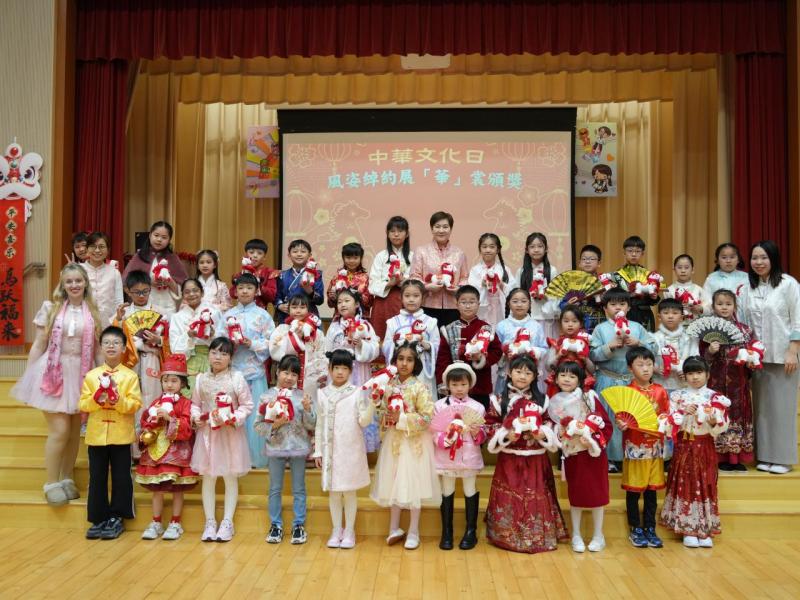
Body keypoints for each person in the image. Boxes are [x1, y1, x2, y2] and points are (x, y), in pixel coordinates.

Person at [12, 263, 101, 505]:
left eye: (78, 280)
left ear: (85, 283)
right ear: (63, 284)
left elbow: (97, 350)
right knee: (60, 431)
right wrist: (29, 377)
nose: (74, 285)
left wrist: (105, 377)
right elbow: (39, 344)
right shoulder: (50, 308)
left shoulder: (93, 311)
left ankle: (66, 477)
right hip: (53, 372)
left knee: (74, 433)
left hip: (82, 373)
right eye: (69, 281)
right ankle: (51, 482)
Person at [485, 355, 567, 553]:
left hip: (536, 457)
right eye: (518, 371)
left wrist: (542, 433)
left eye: (528, 373)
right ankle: (507, 536)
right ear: (508, 373)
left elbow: (550, 423)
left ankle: (536, 536)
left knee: (535, 495)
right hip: (509, 456)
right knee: (510, 495)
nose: (522, 376)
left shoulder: (543, 400)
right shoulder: (498, 400)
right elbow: (489, 425)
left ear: (535, 376)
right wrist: (506, 435)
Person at [369, 341, 441, 550]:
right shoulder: (388, 386)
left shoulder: (420, 387)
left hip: (414, 443)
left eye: (409, 360)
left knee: (413, 484)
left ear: (415, 364)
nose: (404, 363)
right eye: (400, 359)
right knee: (393, 482)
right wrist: (381, 410)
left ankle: (413, 531)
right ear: (394, 361)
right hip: (394, 442)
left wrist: (401, 418)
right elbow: (381, 413)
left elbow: (427, 418)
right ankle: (394, 528)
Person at [741, 240, 800, 474]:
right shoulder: (748, 288)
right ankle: (764, 456)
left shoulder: (788, 284)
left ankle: (782, 458)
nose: (759, 262)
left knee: (782, 408)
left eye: (763, 257)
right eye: (755, 258)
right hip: (756, 359)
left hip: (783, 355)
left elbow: (797, 318)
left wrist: (793, 351)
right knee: (762, 409)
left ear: (773, 259)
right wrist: (746, 353)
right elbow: (743, 322)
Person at [79, 325, 142, 539]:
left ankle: (117, 516)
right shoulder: (92, 376)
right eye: (107, 343)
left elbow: (135, 404)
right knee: (97, 477)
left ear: (124, 348)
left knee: (121, 477)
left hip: (121, 435)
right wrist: (97, 399)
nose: (111, 346)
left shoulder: (130, 376)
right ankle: (98, 517)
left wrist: (117, 400)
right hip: (96, 435)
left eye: (116, 343)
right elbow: (83, 404)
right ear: (101, 347)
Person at [660, 356, 730, 548]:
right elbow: (667, 422)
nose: (695, 377)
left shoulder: (715, 397)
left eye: (699, 372)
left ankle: (704, 528)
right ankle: (687, 529)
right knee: (685, 483)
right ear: (685, 376)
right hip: (684, 445)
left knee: (706, 483)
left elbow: (723, 425)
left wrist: (714, 422)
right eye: (690, 373)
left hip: (705, 444)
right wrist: (682, 413)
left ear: (707, 374)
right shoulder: (677, 396)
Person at [190, 337, 254, 542]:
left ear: (231, 358)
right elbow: (195, 404)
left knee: (229, 476)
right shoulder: (201, 379)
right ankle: (210, 522)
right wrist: (196, 417)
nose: (218, 357)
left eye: (224, 353)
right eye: (214, 352)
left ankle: (227, 522)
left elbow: (247, 405)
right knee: (208, 478)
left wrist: (234, 418)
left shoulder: (237, 378)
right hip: (208, 435)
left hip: (230, 434)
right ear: (209, 354)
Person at [589, 288, 658, 470]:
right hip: (607, 379)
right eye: (613, 304)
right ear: (605, 308)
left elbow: (654, 349)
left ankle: (632, 455)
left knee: (631, 418)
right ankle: (610, 459)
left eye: (622, 304)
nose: (617, 307)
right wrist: (609, 347)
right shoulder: (600, 329)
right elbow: (592, 355)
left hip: (632, 381)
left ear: (628, 307)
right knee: (609, 419)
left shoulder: (636, 327)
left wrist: (638, 343)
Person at [547, 361, 611, 553]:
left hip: (593, 454)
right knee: (575, 495)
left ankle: (599, 535)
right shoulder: (554, 402)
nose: (567, 379)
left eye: (572, 376)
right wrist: (560, 435)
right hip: (572, 454)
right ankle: (576, 534)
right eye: (563, 375)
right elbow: (553, 428)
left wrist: (593, 440)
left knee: (598, 495)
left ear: (580, 380)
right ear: (556, 378)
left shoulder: (590, 398)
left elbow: (606, 425)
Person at [313, 350, 373, 549]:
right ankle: (336, 529)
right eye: (336, 367)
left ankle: (349, 531)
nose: (340, 372)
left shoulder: (356, 392)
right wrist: (318, 451)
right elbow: (319, 424)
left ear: (350, 371)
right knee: (334, 492)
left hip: (351, 451)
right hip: (330, 452)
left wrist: (373, 404)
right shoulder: (322, 394)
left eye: (344, 368)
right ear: (329, 369)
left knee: (349, 492)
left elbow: (364, 421)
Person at [135, 353, 198, 541]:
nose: (169, 384)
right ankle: (156, 522)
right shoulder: (156, 402)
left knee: (178, 489)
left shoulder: (186, 404)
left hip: (177, 453)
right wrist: (149, 425)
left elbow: (187, 427)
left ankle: (175, 523)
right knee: (158, 490)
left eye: (174, 381)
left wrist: (170, 419)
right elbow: (145, 420)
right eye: (165, 380)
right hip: (156, 451)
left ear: (183, 383)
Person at [257, 356, 316, 545]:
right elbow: (258, 426)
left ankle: (299, 525)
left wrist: (308, 410)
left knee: (299, 488)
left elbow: (311, 424)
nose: (289, 377)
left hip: (298, 447)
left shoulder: (302, 396)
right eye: (285, 372)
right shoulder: (266, 396)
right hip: (275, 448)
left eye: (294, 374)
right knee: (275, 488)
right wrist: (274, 425)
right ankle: (276, 525)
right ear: (277, 372)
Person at [430, 363, 486, 550]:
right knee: (447, 490)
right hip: (447, 456)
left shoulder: (477, 407)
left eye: (463, 384)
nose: (459, 388)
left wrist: (477, 432)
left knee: (470, 489)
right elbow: (434, 430)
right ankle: (447, 532)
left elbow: (483, 435)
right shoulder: (439, 406)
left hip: (469, 456)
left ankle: (471, 531)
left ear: (470, 384)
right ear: (447, 385)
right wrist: (444, 440)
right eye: (454, 385)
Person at [222, 272, 275, 468]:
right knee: (233, 414)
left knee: (255, 416)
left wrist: (251, 343)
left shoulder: (263, 315)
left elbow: (272, 343)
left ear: (257, 291)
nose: (245, 291)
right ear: (235, 291)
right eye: (241, 288)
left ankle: (255, 459)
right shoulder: (227, 315)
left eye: (249, 288)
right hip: (233, 373)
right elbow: (219, 341)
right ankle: (233, 460)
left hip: (255, 373)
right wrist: (231, 345)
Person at [619, 347, 670, 549]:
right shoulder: (627, 392)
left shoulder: (660, 391)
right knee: (633, 489)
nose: (646, 369)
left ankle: (650, 527)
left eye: (649, 364)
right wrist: (621, 424)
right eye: (640, 365)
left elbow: (666, 414)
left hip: (655, 448)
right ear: (630, 368)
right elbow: (621, 417)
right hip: (635, 447)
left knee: (651, 490)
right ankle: (635, 528)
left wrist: (664, 421)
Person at [702, 289, 757, 470]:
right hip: (715, 380)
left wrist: (750, 359)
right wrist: (710, 351)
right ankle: (719, 457)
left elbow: (754, 353)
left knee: (738, 415)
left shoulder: (746, 330)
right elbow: (702, 359)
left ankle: (736, 458)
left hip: (739, 380)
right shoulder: (708, 330)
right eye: (720, 304)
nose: (724, 307)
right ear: (713, 306)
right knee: (717, 412)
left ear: (735, 306)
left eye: (728, 304)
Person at [113, 270, 170, 440]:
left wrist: (158, 340)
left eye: (145, 291)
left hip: (153, 360)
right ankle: (132, 447)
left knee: (153, 399)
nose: (141, 296)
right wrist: (118, 321)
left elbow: (171, 342)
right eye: (136, 292)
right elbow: (113, 340)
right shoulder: (123, 314)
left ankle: (153, 443)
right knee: (132, 400)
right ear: (128, 291)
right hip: (131, 363)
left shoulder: (160, 312)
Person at [324, 289, 381, 451]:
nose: (342, 304)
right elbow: (326, 351)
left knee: (359, 406)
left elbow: (375, 349)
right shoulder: (334, 327)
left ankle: (359, 448)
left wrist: (361, 345)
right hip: (338, 374)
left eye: (347, 301)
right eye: (339, 302)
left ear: (356, 304)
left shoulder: (365, 326)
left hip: (359, 373)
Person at [435, 285, 503, 408]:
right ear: (457, 304)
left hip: (480, 385)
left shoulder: (486, 328)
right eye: (463, 302)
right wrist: (443, 382)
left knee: (479, 417)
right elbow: (442, 359)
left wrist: (481, 358)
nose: (468, 306)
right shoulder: (449, 329)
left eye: (472, 302)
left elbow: (497, 351)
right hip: (455, 385)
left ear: (478, 304)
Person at [383, 279, 441, 401]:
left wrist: (426, 345)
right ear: (401, 298)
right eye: (407, 296)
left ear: (423, 298)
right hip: (400, 367)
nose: (411, 299)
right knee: (400, 401)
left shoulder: (430, 322)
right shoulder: (393, 322)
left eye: (416, 296)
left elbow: (437, 346)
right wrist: (396, 344)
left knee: (422, 400)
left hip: (423, 369)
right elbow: (386, 346)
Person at [409, 211, 468, 327]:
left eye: (445, 227)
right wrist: (427, 287)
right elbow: (414, 277)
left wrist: (458, 289)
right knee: (427, 337)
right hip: (427, 305)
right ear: (432, 229)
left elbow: (464, 278)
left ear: (451, 229)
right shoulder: (421, 251)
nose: (441, 230)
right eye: (437, 226)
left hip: (453, 307)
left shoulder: (459, 253)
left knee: (452, 337)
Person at [269, 293, 328, 401]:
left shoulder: (316, 332)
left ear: (308, 309)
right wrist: (295, 338)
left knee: (309, 405)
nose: (298, 311)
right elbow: (275, 353)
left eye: (302, 307)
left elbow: (322, 354)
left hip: (310, 379)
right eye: (294, 307)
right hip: (289, 377)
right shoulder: (282, 329)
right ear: (288, 309)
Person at [122, 221, 187, 317]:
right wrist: (148, 281)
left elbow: (184, 287)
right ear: (150, 235)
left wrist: (170, 282)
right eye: (156, 235)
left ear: (169, 240)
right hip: (144, 305)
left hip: (167, 306)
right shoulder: (139, 256)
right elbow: (126, 280)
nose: (159, 240)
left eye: (164, 237)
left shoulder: (173, 258)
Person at [169, 278, 222, 391]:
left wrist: (213, 335)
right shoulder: (177, 317)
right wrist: (188, 336)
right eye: (187, 292)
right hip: (188, 361)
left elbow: (223, 340)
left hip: (212, 359)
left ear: (202, 292)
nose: (191, 294)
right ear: (183, 295)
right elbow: (174, 348)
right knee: (190, 395)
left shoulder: (214, 313)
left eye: (195, 290)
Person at [494, 287, 547, 395]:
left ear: (529, 304)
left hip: (529, 371)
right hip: (508, 370)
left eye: (523, 301)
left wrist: (532, 351)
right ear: (508, 304)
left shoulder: (536, 326)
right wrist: (505, 352)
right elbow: (496, 349)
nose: (519, 305)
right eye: (515, 301)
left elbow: (544, 348)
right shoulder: (501, 326)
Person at [368, 216, 413, 342]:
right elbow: (372, 284)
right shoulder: (381, 256)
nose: (396, 234)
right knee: (380, 338)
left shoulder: (413, 257)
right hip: (382, 303)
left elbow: (416, 282)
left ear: (407, 234)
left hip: (405, 302)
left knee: (404, 338)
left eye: (400, 231)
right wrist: (390, 283)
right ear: (387, 234)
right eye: (392, 231)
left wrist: (402, 281)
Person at [468, 233, 517, 328]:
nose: (488, 250)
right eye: (484, 247)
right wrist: (482, 284)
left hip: (500, 309)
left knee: (499, 332)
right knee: (482, 332)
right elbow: (471, 292)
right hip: (482, 311)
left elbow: (513, 292)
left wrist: (501, 284)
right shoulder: (475, 270)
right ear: (480, 249)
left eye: (492, 247)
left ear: (498, 249)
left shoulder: (504, 270)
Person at [516, 232, 559, 339]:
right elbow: (516, 294)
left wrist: (545, 295)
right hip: (528, 317)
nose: (536, 250)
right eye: (532, 247)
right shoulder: (521, 271)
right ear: (527, 250)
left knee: (547, 346)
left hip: (547, 317)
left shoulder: (552, 270)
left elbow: (557, 295)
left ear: (546, 249)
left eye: (540, 246)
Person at [612, 236, 658, 332]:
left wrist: (654, 297)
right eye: (630, 251)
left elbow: (653, 301)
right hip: (624, 314)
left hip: (645, 314)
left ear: (642, 253)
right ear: (624, 252)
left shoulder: (648, 275)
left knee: (645, 340)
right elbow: (613, 297)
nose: (633, 254)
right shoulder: (616, 275)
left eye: (637, 251)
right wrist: (630, 295)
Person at [274, 239, 324, 325]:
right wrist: (280, 305)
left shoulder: (316, 275)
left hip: (309, 317)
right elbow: (276, 296)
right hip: (287, 316)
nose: (299, 254)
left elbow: (320, 300)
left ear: (310, 255)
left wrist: (310, 291)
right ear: (289, 255)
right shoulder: (282, 275)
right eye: (295, 251)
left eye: (303, 251)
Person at [82, 231, 123, 326]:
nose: (97, 250)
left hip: (108, 324)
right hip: (83, 323)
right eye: (93, 246)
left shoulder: (114, 273)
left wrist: (114, 322)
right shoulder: (79, 270)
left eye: (101, 247)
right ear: (87, 249)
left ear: (108, 250)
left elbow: (119, 301)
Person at [228, 239, 279, 311]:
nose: (255, 256)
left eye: (259, 253)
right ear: (246, 254)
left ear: (264, 257)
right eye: (251, 252)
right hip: (241, 311)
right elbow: (233, 294)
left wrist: (258, 284)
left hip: (260, 312)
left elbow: (272, 296)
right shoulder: (240, 274)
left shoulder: (269, 273)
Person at [703, 242, 749, 321]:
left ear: (738, 259)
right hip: (717, 321)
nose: (728, 261)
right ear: (717, 260)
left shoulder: (746, 278)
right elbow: (706, 302)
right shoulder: (711, 278)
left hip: (742, 321)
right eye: (724, 257)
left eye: (732, 257)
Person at [326, 242, 372, 317]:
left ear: (361, 258)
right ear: (343, 258)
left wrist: (358, 295)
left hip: (360, 318)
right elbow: (330, 304)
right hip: (340, 318)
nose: (351, 261)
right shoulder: (336, 278)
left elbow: (370, 302)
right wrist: (333, 298)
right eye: (348, 257)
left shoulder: (365, 278)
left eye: (355, 258)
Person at [663, 254, 710, 322]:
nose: (683, 271)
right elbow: (664, 311)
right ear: (674, 270)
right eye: (679, 267)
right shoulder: (669, 290)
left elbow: (709, 309)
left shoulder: (699, 290)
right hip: (675, 326)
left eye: (686, 267)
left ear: (692, 270)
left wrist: (700, 308)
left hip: (695, 325)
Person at [573, 244, 605, 333]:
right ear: (579, 263)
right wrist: (568, 303)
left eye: (591, 259)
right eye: (584, 259)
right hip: (579, 322)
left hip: (599, 321)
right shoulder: (572, 282)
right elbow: (564, 304)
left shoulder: (604, 280)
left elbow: (611, 303)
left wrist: (602, 296)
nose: (587, 262)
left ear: (599, 263)